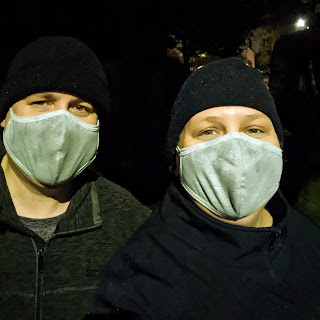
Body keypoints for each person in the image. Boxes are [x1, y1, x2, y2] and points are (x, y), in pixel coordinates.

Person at [85, 57, 320, 320]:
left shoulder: (307, 237)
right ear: (177, 158)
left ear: (279, 146)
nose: (235, 148)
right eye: (208, 131)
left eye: (254, 129)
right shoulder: (140, 281)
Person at [0, 36, 150, 320]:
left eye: (80, 107)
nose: (61, 123)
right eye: (42, 101)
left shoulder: (132, 225)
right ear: (6, 115)